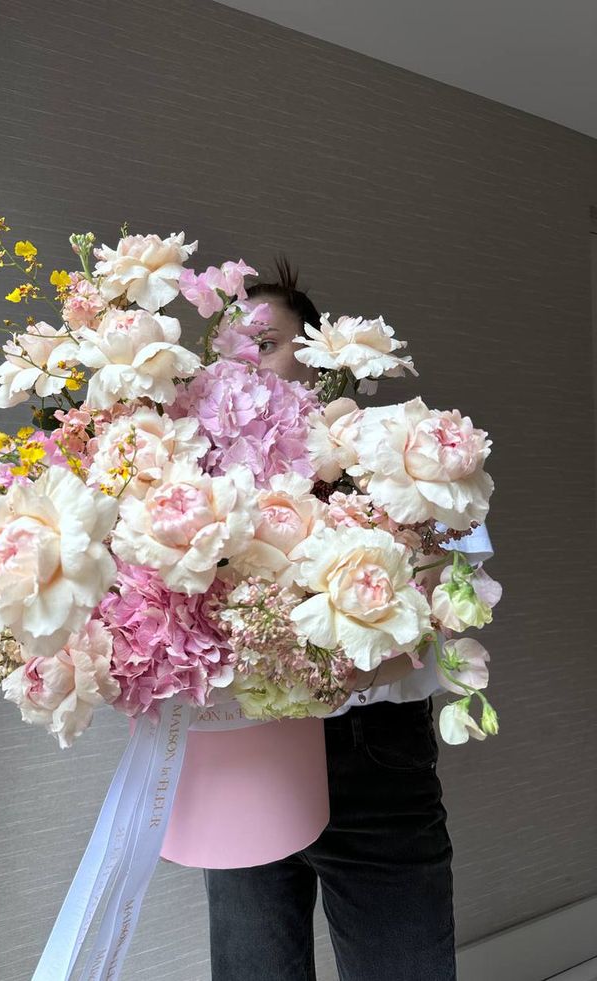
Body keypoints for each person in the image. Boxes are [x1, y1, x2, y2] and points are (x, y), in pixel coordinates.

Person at [202, 256, 493, 981]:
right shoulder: (196, 476)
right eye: (232, 351)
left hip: (372, 751)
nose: (249, 363)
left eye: (265, 343)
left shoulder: (398, 441)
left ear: (316, 353)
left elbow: (467, 586)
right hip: (244, 750)